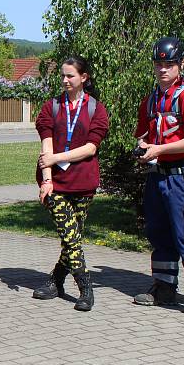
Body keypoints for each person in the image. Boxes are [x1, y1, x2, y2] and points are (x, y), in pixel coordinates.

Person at [133, 37, 184, 321]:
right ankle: (165, 286)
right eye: (159, 64)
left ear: (180, 65)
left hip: (182, 176)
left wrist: (161, 149)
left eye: (169, 64)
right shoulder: (152, 98)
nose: (163, 69)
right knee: (159, 233)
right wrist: (144, 148)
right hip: (156, 176)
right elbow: (143, 134)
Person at [33, 56, 109, 311]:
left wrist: (57, 157)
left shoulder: (96, 109)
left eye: (70, 76)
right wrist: (47, 180)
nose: (65, 80)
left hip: (84, 184)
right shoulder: (51, 107)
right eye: (63, 76)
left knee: (72, 237)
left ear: (83, 78)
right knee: (71, 236)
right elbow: (46, 145)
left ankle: (56, 280)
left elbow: (90, 148)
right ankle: (85, 288)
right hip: (56, 185)